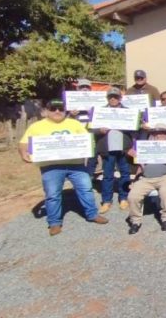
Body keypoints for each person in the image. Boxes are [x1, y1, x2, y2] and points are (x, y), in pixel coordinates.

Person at [18, 99, 109, 236]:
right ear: (46, 111)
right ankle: (54, 223)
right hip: (51, 167)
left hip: (76, 165)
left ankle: (92, 214)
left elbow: (86, 140)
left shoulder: (74, 123)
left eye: (60, 109)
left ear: (65, 110)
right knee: (53, 195)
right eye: (53, 109)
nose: (57, 111)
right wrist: (23, 153)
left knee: (86, 190)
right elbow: (24, 143)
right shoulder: (36, 126)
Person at [126, 124, 166, 234]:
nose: (158, 135)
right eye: (156, 133)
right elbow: (139, 166)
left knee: (165, 192)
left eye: (162, 133)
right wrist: (131, 155)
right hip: (146, 178)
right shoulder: (145, 147)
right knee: (133, 196)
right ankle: (135, 221)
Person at [95, 87, 135, 213]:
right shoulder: (100, 112)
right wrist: (99, 130)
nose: (113, 99)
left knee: (125, 173)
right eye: (110, 97)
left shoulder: (127, 112)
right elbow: (92, 129)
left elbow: (135, 128)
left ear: (120, 98)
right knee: (107, 175)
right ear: (107, 98)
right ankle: (106, 201)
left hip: (123, 148)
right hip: (108, 149)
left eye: (116, 97)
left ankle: (123, 198)